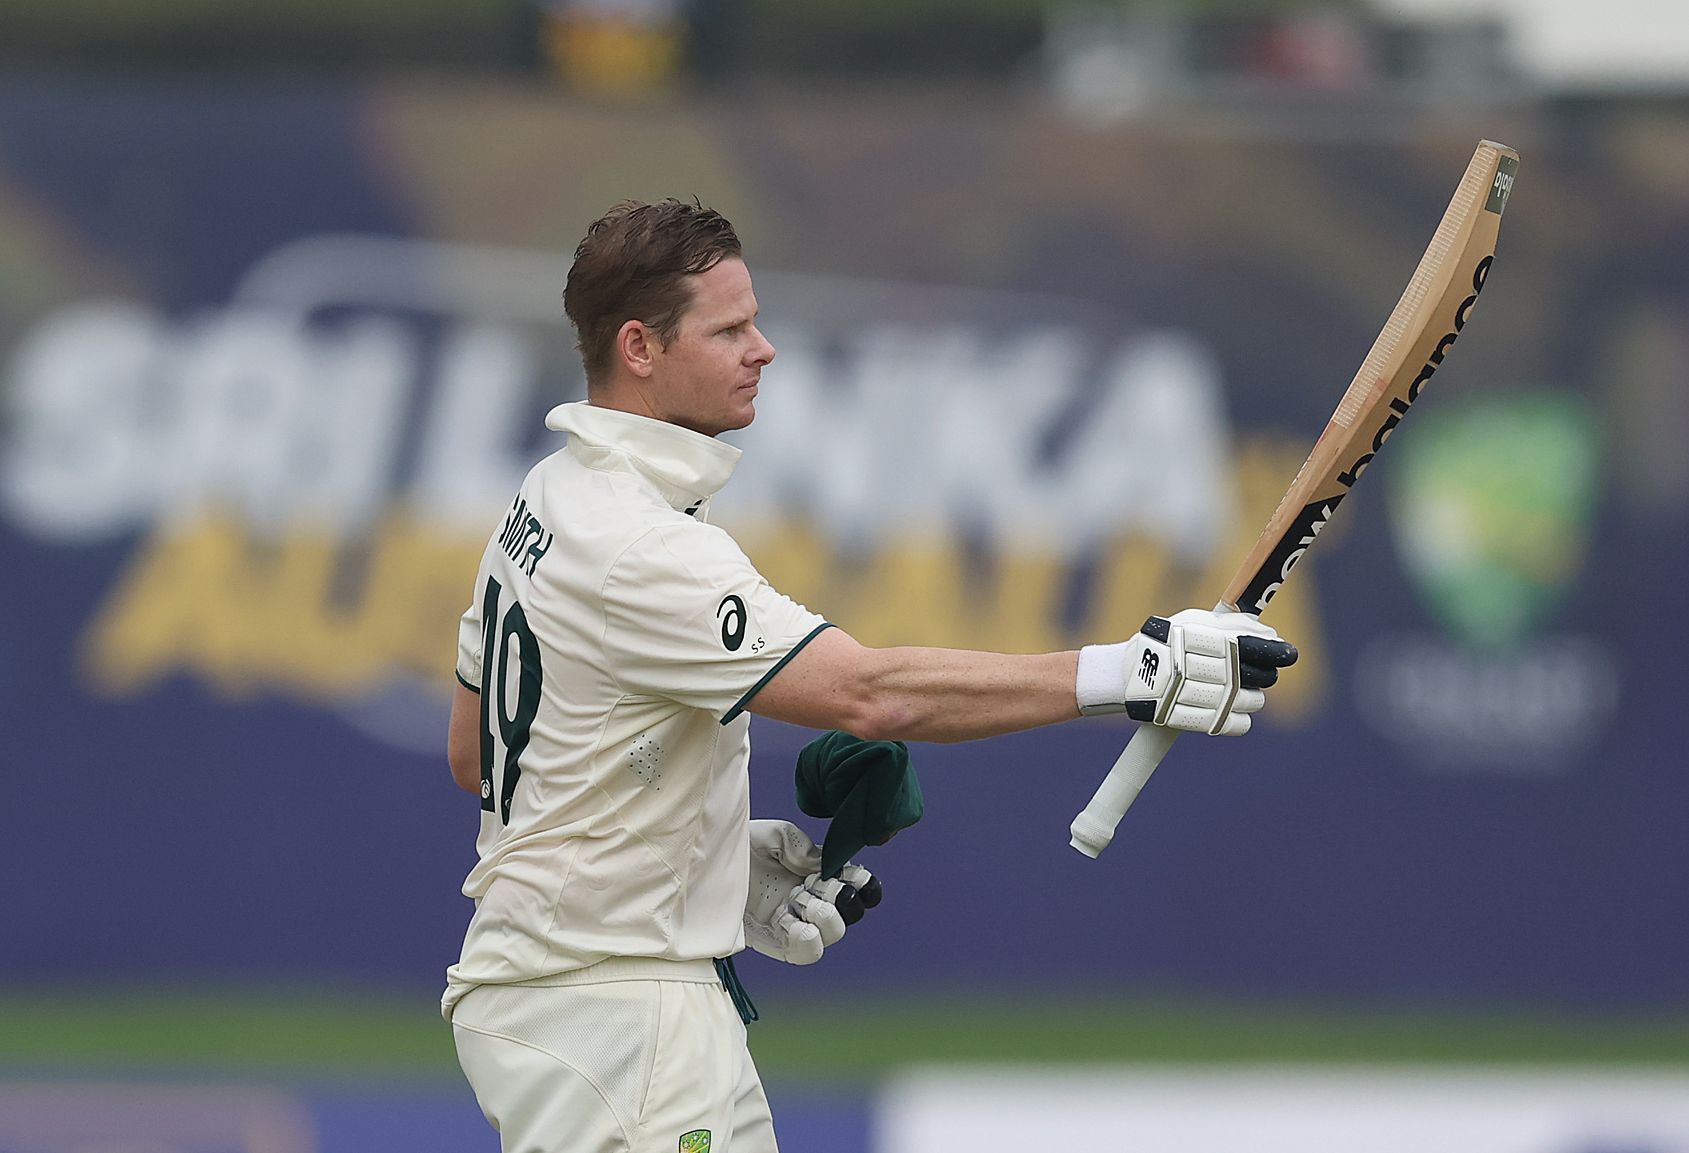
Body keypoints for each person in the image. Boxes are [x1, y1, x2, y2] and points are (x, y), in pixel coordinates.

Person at [442, 198, 1298, 1152]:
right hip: (609, 1012)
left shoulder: (547, 494)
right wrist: (1132, 671)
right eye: (729, 329)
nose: (762, 348)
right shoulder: (643, 546)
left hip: (590, 997)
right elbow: (871, 694)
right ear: (639, 347)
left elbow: (476, 756)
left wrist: (704, 861)